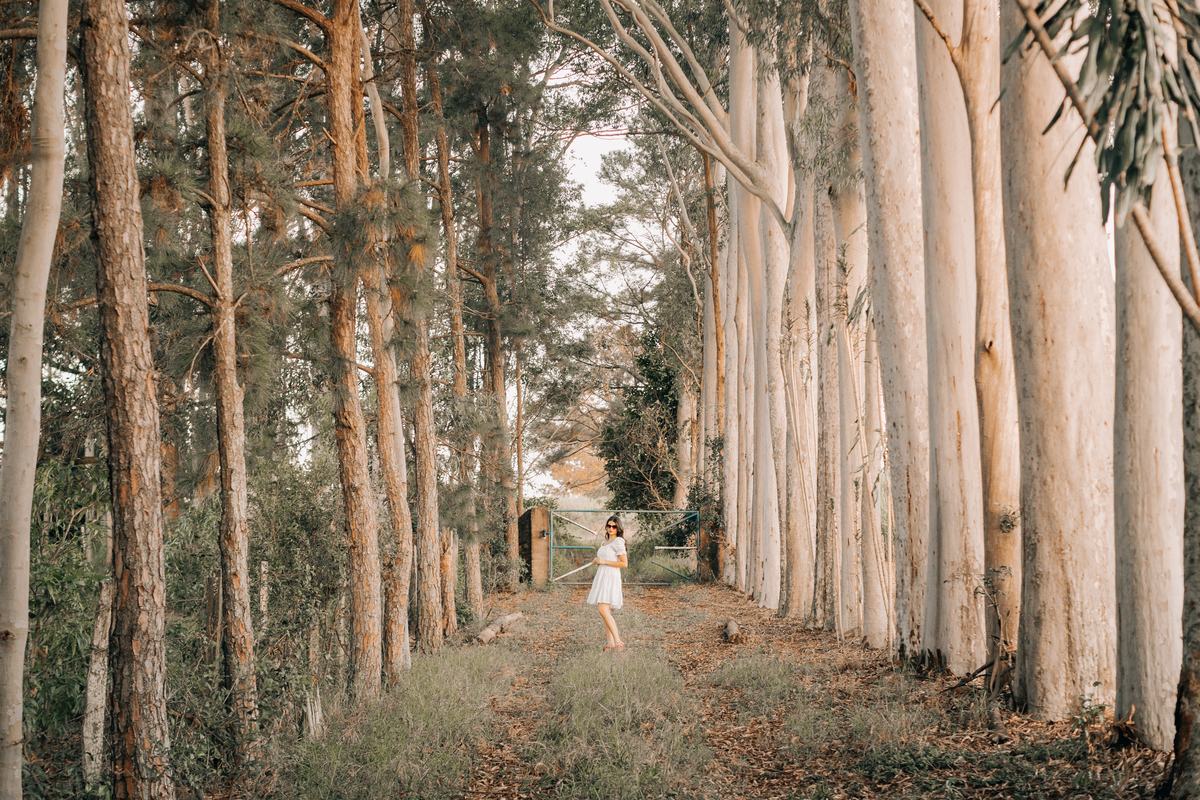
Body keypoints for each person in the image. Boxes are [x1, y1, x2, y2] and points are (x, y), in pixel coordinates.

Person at [587, 515, 628, 652]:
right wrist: (598, 561)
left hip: (611, 577)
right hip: (602, 576)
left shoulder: (618, 541)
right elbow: (604, 559)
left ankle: (618, 642)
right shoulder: (604, 543)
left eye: (614, 526)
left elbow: (624, 563)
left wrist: (604, 561)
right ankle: (610, 644)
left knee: (603, 610)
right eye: (608, 525)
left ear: (618, 528)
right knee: (605, 612)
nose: (611, 528)